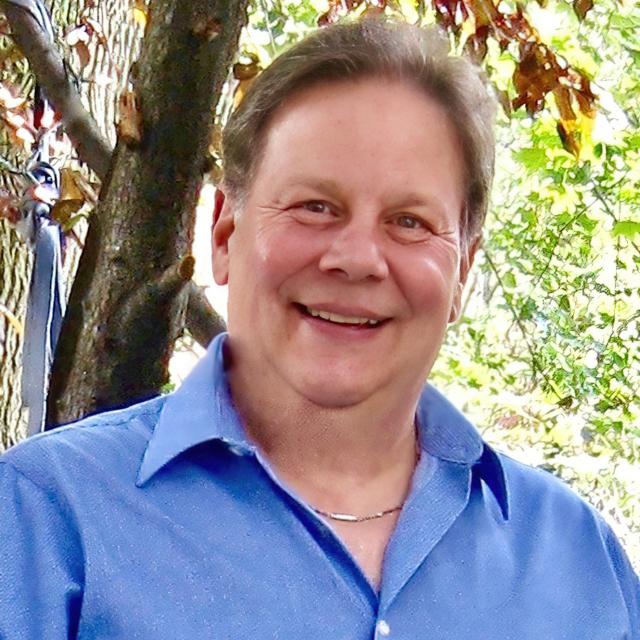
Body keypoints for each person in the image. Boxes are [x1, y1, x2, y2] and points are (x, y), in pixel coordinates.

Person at [1, 17, 638, 640]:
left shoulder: (582, 564)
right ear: (224, 233)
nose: (358, 258)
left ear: (462, 272)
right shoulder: (45, 521)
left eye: (410, 221)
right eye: (315, 207)